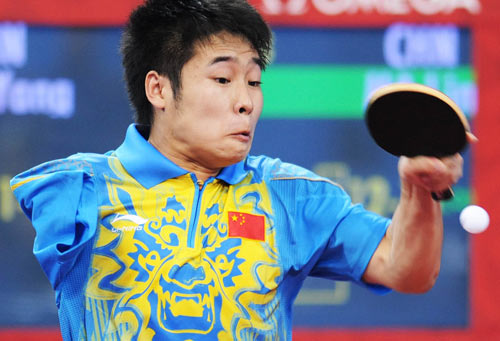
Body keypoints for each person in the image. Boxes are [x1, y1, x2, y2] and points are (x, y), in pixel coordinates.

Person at [10, 0, 470, 340]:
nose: (246, 101)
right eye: (223, 80)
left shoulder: (292, 196)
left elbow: (408, 270)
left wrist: (420, 192)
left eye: (254, 82)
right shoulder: (78, 188)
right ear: (159, 89)